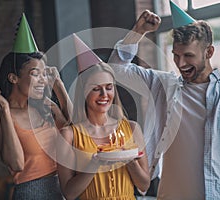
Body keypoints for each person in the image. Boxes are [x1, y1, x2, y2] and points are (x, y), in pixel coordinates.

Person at [108, 1, 220, 199]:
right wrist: (137, 32)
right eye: (176, 55)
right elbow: (116, 69)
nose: (180, 63)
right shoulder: (163, 84)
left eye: (188, 55)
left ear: (209, 52)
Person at [0, 13, 72, 200]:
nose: (42, 81)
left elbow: (77, 133)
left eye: (44, 74)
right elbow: (16, 164)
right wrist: (5, 110)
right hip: (30, 193)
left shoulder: (46, 106)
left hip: (64, 188)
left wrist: (60, 86)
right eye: (35, 74)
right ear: (13, 78)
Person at [56, 34, 150, 200]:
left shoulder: (132, 128)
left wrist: (129, 160)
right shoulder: (68, 135)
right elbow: (69, 193)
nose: (104, 95)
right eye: (96, 89)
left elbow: (144, 185)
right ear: (83, 92)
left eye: (109, 88)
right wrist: (95, 163)